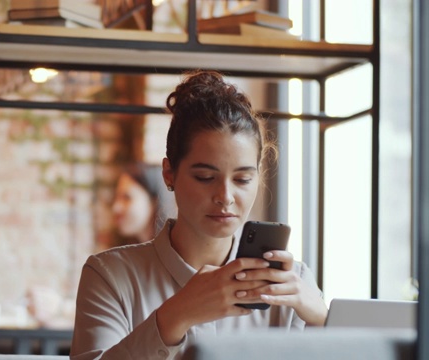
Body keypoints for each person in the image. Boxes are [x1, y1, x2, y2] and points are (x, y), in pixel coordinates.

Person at [70, 70, 328, 359]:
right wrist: (175, 316)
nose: (226, 197)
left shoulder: (293, 284)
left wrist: (325, 320)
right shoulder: (110, 276)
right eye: (205, 177)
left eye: (242, 180)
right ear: (169, 174)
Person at [111, 162, 177, 245]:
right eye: (116, 198)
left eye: (127, 198)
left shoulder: (175, 253)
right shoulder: (134, 254)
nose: (116, 207)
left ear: (154, 201)